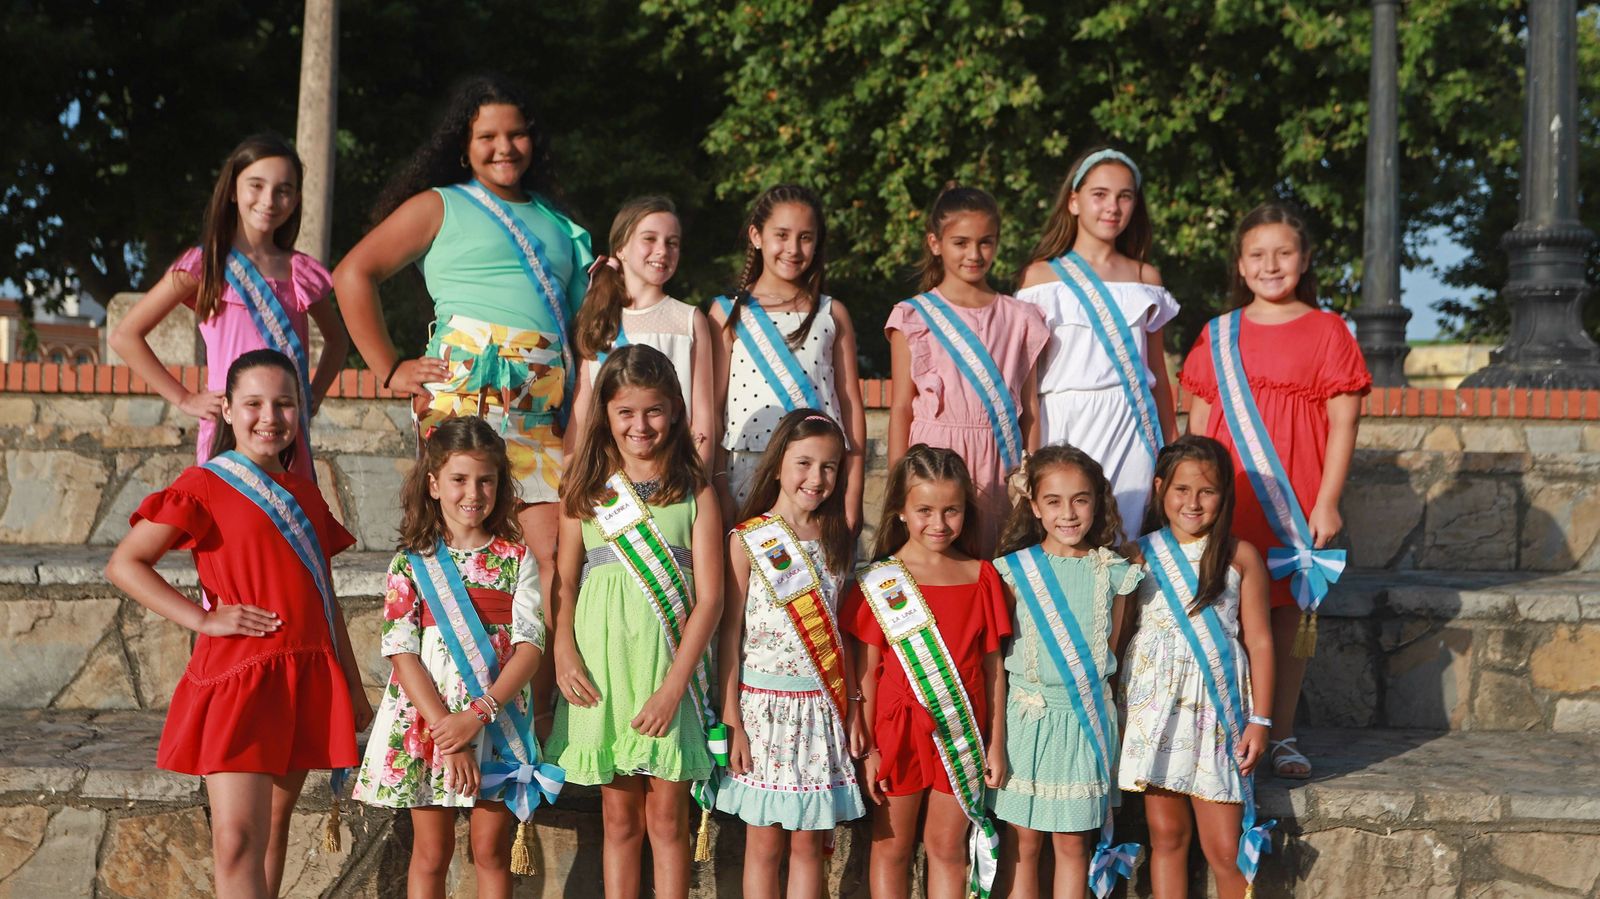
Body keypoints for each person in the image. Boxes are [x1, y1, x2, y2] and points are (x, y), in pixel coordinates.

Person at [104, 349, 370, 899]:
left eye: (284, 403)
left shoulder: (306, 492)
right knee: (235, 839)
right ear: (226, 409)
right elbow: (125, 564)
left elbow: (326, 597)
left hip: (302, 674)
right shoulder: (203, 483)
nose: (268, 417)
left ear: (300, 412)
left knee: (273, 834)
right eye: (253, 403)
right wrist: (202, 619)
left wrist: (350, 679)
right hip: (239, 678)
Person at [333, 73, 593, 619]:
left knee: (552, 557)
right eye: (487, 137)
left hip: (542, 410)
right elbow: (353, 273)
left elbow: (580, 328)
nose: (504, 147)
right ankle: (453, 689)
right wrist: (386, 367)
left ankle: (541, 705)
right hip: (464, 399)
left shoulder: (558, 221)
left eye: (517, 134)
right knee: (461, 547)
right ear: (463, 145)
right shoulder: (438, 205)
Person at [1179, 203, 1370, 780]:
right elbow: (1197, 425)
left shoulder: (1329, 330)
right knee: (1221, 611)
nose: (1271, 265)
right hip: (1224, 497)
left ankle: (1280, 731)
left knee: (1286, 623)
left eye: (1284, 253)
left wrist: (1328, 500)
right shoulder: (1218, 333)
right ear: (1240, 264)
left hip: (1293, 500)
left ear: (1305, 259)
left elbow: (1345, 423)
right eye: (1257, 254)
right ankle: (1214, 728)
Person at [351, 416, 560, 896]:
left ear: (500, 485)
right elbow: (402, 653)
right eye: (459, 480)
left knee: (489, 850)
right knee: (431, 852)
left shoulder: (516, 557)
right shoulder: (411, 561)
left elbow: (530, 647)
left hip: (497, 721)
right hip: (431, 726)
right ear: (433, 484)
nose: (473, 492)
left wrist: (478, 717)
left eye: (486, 480)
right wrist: (451, 734)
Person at [545, 344, 724, 899]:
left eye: (652, 411)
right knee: (619, 822)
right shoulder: (585, 490)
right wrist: (563, 651)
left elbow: (712, 599)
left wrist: (674, 690)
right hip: (603, 673)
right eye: (625, 412)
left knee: (667, 822)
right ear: (607, 416)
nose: (639, 425)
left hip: (667, 674)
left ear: (673, 410)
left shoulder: (696, 493)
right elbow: (565, 581)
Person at [109, 134, 348, 479]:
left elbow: (337, 341)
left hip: (285, 434)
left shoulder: (300, 271)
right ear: (233, 190)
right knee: (226, 522)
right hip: (228, 430)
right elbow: (125, 335)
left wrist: (310, 399)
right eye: (256, 185)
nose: (269, 199)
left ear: (296, 200)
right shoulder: (205, 266)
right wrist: (184, 398)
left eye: (283, 189)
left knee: (290, 524)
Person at [845, 445, 1010, 899]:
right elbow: (867, 672)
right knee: (892, 847)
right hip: (897, 734)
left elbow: (993, 666)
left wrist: (996, 742)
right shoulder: (880, 579)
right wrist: (870, 746)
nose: (939, 524)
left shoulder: (981, 576)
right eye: (925, 510)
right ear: (900, 509)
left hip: (963, 730)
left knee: (947, 846)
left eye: (951, 510)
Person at [716, 409, 866, 899]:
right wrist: (731, 717)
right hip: (762, 713)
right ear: (778, 461)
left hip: (820, 710)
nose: (816, 478)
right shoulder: (747, 539)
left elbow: (843, 637)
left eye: (829, 467)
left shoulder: (840, 539)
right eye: (804, 463)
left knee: (808, 845)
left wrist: (853, 710)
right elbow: (730, 636)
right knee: (763, 846)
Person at [1121, 436, 1275, 899]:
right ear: (1160, 488)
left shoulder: (1239, 556)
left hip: (1216, 715)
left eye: (1206, 492)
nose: (1193, 502)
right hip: (1155, 715)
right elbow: (1120, 631)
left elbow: (1262, 641)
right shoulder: (1138, 554)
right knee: (1166, 836)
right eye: (1181, 490)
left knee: (1226, 848)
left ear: (1224, 496)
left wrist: (1261, 721)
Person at [990, 446, 1143, 899]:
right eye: (1054, 501)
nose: (1068, 513)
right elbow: (996, 658)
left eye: (1080, 499)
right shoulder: (1012, 571)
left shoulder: (1114, 572)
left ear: (1097, 501)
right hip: (1026, 723)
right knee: (1023, 845)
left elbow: (1112, 651)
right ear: (1034, 506)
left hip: (1084, 725)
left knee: (1074, 845)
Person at [1016, 146, 1180, 539]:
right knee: (1067, 541)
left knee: (1126, 539)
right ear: (1074, 201)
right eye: (1100, 194)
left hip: (1130, 425)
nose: (1113, 206)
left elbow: (1157, 374)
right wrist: (1029, 458)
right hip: (1063, 421)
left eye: (1125, 196)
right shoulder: (1039, 278)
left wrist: (1172, 453)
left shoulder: (1146, 278)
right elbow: (1029, 384)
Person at [885, 184, 1048, 555]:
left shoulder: (1021, 318)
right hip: (934, 457)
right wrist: (899, 483)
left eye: (985, 242)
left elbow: (1031, 409)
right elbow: (900, 407)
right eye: (961, 242)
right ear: (935, 242)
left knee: (995, 563)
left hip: (999, 460)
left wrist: (1029, 475)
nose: (974, 254)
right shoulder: (914, 316)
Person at [709, 184, 866, 530]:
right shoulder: (727, 313)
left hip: (817, 480)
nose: (793, 249)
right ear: (757, 235)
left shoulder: (832, 313)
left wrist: (852, 495)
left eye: (806, 237)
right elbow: (713, 408)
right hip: (744, 473)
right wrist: (718, 483)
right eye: (782, 235)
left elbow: (851, 406)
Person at [570, 196, 716, 468]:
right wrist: (572, 475)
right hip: (610, 482)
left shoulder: (690, 320)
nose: (662, 250)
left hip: (671, 475)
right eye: (650, 239)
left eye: (672, 243)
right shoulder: (598, 319)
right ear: (622, 248)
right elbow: (582, 413)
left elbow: (703, 418)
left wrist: (698, 481)